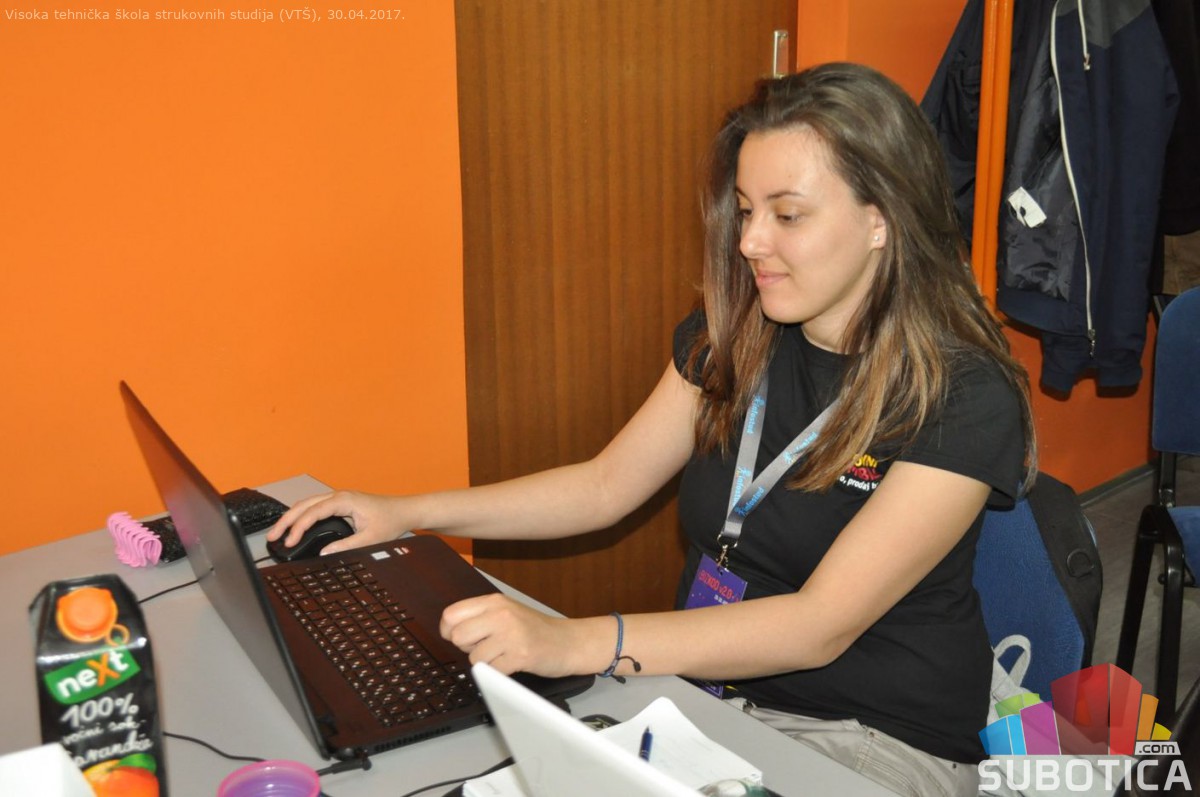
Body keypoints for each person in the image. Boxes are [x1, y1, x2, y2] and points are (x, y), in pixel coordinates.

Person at [269, 62, 1035, 796]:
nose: (749, 241)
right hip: (709, 700)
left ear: (882, 221)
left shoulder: (964, 395)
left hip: (875, 737)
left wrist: (576, 641)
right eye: (745, 210)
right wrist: (406, 513)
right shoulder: (738, 333)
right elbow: (604, 486)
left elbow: (818, 626)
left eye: (787, 214)